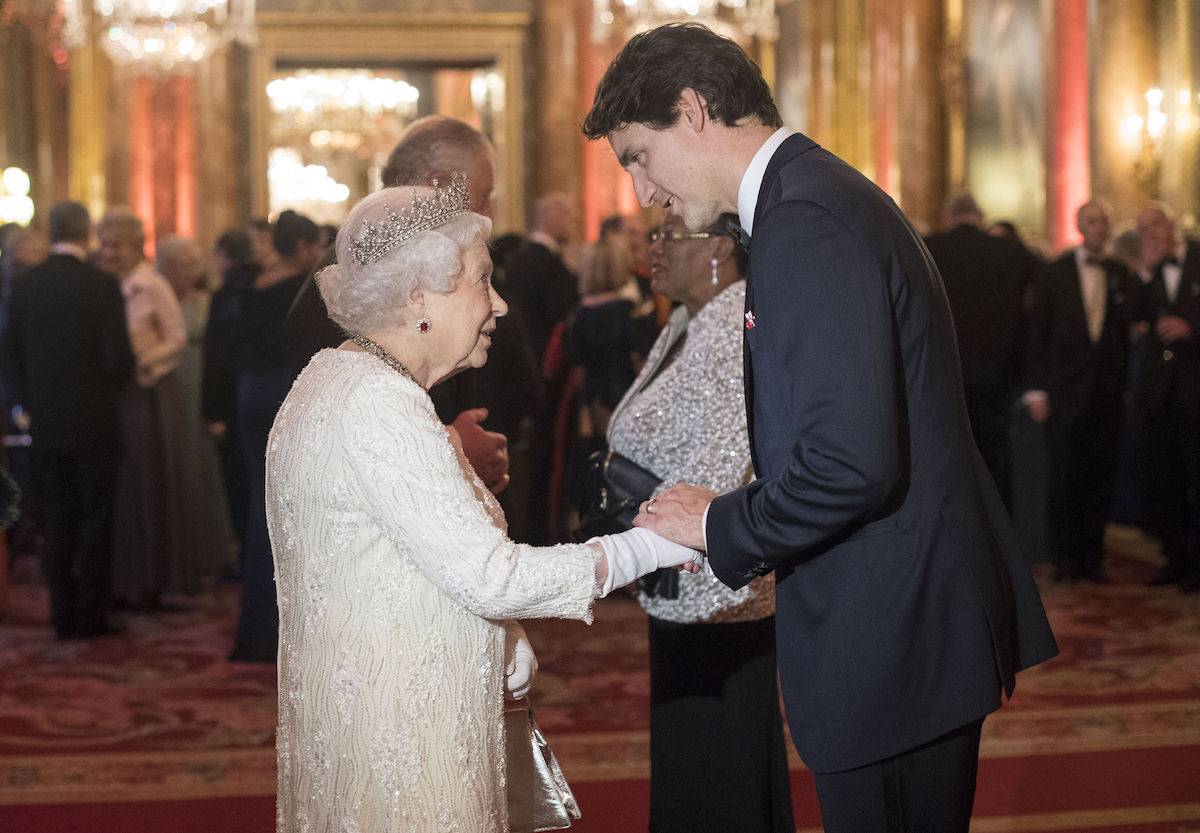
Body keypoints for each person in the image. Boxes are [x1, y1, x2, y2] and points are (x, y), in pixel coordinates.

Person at [584, 23, 1058, 833]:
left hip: (890, 643)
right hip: (902, 626)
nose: (641, 191)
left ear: (692, 110)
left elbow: (848, 465)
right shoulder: (814, 196)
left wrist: (713, 522)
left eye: (637, 154)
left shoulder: (805, 220)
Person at [268, 180, 701, 832]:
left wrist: (504, 645)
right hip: (408, 747)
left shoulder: (338, 376)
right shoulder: (377, 403)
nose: (498, 304)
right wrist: (651, 545)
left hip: (380, 719)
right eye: (481, 280)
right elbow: (488, 576)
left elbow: (406, 567)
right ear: (419, 296)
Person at [608, 210, 793, 833]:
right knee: (700, 761)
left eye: (665, 236)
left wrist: (645, 541)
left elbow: (723, 459)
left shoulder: (728, 323)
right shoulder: (690, 320)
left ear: (719, 246)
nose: (651, 248)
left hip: (712, 583)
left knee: (720, 768)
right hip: (679, 571)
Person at [283, 116, 511, 497]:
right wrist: (451, 449)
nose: (487, 211)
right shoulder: (357, 272)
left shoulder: (460, 262)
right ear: (438, 182)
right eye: (483, 194)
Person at [2, 202, 133, 637]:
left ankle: (61, 613)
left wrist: (25, 407)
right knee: (96, 519)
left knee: (55, 520)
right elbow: (119, 361)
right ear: (86, 234)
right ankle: (91, 614)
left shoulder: (26, 286)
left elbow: (11, 356)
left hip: (46, 424)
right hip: (95, 421)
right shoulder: (101, 285)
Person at [1024, 200, 1139, 584]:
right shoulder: (1054, 273)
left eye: (1104, 221)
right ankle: (1065, 559)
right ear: (1079, 226)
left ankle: (1093, 558)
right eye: (1092, 221)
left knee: (1100, 476)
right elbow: (1037, 332)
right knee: (1064, 477)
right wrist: (1037, 390)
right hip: (1065, 391)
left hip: (1106, 392)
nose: (1100, 227)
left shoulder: (1119, 273)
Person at [228, 209, 324, 662]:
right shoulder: (306, 290)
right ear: (304, 247)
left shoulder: (251, 285)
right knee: (289, 509)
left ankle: (257, 627)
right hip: (284, 393)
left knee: (258, 506)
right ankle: (280, 630)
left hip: (250, 394)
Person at [925, 192, 1041, 510]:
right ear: (981, 216)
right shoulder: (1012, 252)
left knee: (949, 457)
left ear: (949, 216)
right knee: (996, 457)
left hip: (943, 374)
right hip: (998, 372)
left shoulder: (928, 247)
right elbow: (1040, 307)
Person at [1134, 203, 1200, 592]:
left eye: (1154, 225)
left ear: (1171, 223)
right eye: (1142, 230)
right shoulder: (1149, 272)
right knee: (1167, 479)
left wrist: (1191, 328)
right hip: (1161, 394)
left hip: (1195, 388)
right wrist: (1144, 271)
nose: (1150, 235)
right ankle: (1175, 559)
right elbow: (1135, 314)